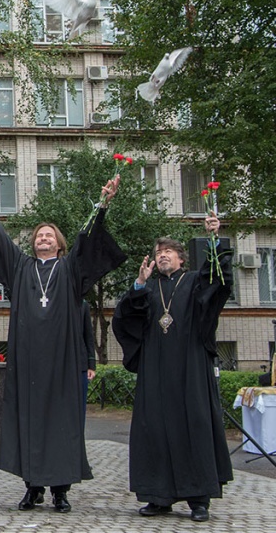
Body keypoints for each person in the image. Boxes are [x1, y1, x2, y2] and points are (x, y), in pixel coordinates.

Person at [0, 175, 126, 513]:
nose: (43, 239)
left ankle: (60, 492)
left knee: (61, 425)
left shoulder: (70, 269)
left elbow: (89, 243)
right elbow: (0, 241)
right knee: (29, 423)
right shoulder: (21, 268)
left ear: (59, 243)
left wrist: (103, 204)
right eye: (39, 236)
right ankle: (33, 488)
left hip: (63, 364)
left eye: (49, 235)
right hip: (28, 363)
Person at [112, 215, 233, 522]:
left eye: (167, 251)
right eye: (157, 253)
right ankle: (158, 497)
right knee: (154, 430)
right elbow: (125, 318)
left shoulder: (193, 281)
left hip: (189, 368)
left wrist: (213, 239)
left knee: (193, 427)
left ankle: (198, 499)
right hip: (155, 371)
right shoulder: (149, 288)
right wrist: (138, 284)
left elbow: (218, 281)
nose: (162, 255)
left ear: (181, 257)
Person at [79, 301, 96, 427]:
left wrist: (91, 364)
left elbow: (88, 336)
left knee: (79, 407)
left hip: (80, 365)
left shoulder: (82, 304)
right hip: (57, 365)